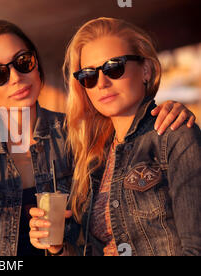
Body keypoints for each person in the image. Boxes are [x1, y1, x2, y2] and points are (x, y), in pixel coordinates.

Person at [0, 19, 196, 256]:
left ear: (37, 64)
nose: (16, 77)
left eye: (23, 62)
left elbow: (131, 127)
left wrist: (169, 108)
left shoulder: (79, 134)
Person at [30, 17, 201, 256]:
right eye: (89, 75)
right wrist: (58, 248)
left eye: (114, 68)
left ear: (146, 70)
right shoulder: (92, 156)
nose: (101, 83)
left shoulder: (174, 135)